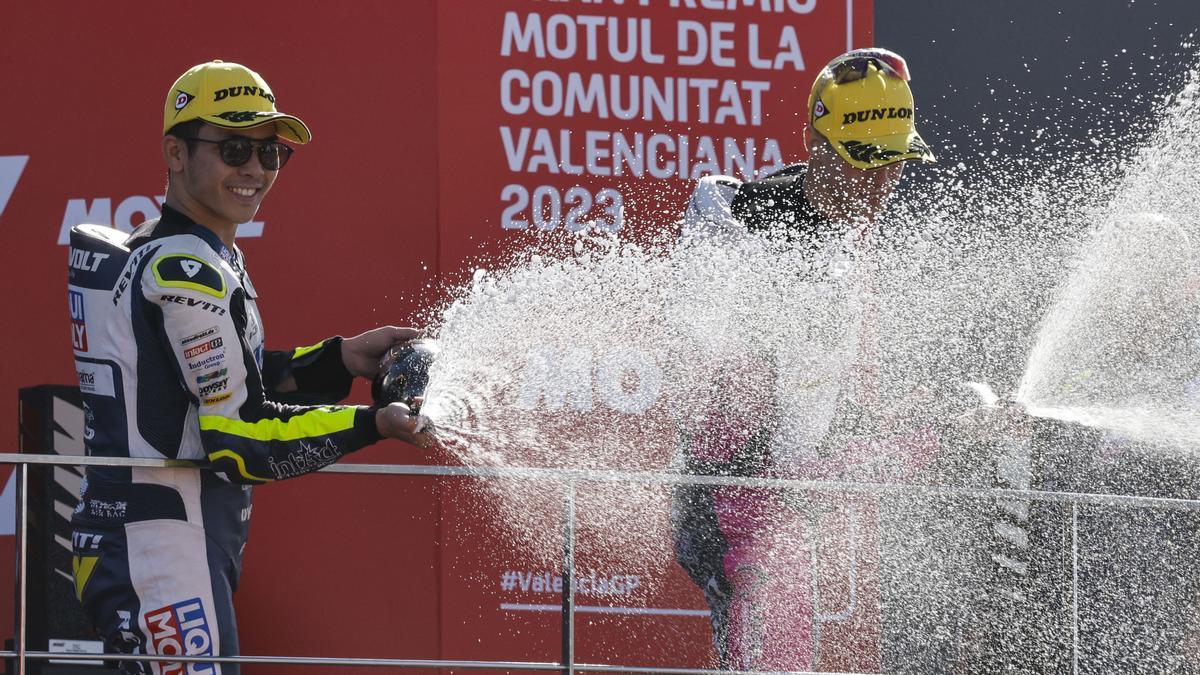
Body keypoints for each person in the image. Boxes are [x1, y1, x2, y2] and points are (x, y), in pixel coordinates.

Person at [66, 60, 432, 674]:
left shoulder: (176, 248)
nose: (256, 170)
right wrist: (372, 424)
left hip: (150, 536)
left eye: (272, 153)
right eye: (235, 148)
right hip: (164, 546)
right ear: (175, 153)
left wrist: (340, 356)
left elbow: (230, 376)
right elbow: (239, 441)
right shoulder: (188, 270)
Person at [670, 48, 939, 671]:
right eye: (865, 164)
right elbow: (774, 446)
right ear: (816, 145)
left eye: (894, 163)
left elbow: (826, 422)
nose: (881, 184)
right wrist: (932, 435)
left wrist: (928, 420)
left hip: (779, 509)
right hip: (738, 515)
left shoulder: (835, 229)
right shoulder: (756, 237)